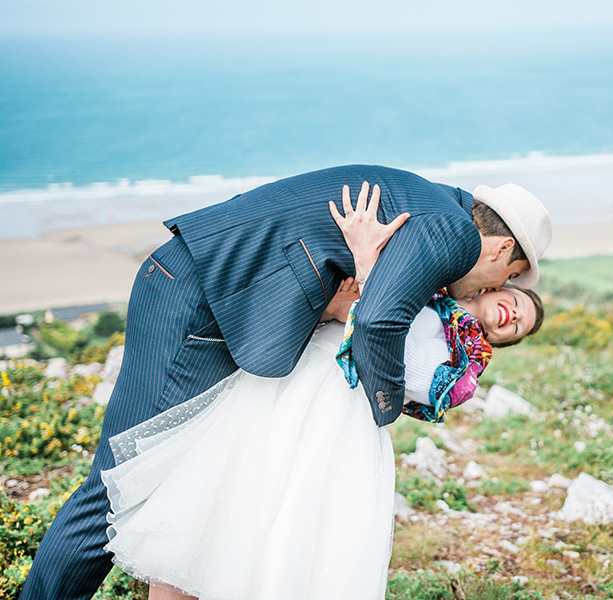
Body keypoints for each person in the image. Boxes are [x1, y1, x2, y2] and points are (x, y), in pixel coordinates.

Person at [21, 164, 552, 599]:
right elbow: (377, 320)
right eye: (507, 278)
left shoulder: (427, 203)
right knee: (119, 484)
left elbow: (362, 298)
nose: (497, 286)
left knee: (190, 478)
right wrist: (384, 406)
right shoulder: (453, 231)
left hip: (213, 300)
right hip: (200, 303)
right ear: (502, 250)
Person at [99, 279, 544, 599]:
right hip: (282, 382)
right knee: (216, 507)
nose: (515, 317)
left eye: (518, 328)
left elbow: (395, 358)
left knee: (291, 529)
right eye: (516, 302)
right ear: (494, 287)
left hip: (337, 411)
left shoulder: (465, 362)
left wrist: (360, 291)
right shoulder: (431, 289)